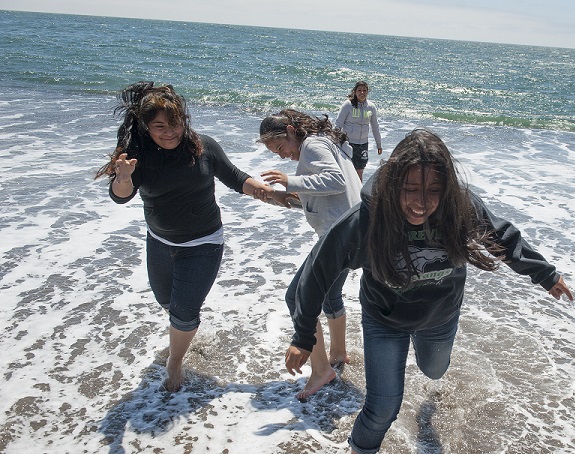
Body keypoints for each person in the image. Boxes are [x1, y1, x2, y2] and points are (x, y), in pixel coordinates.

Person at [282, 128, 575, 454]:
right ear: (394, 184)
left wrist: (544, 274)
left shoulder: (459, 207)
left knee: (433, 370)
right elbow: (316, 273)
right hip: (385, 318)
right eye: (411, 189)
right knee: (383, 404)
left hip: (440, 314)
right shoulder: (369, 218)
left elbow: (501, 236)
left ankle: (426, 405)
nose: (421, 203)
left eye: (433, 190)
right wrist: (303, 335)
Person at [95, 81, 290, 392]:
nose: (169, 132)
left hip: (204, 243)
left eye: (174, 124)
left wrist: (269, 193)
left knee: (185, 312)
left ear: (184, 121)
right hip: (159, 242)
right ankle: (181, 331)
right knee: (167, 302)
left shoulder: (203, 147)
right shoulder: (137, 156)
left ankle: (175, 361)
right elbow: (121, 196)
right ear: (147, 126)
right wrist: (123, 178)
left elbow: (236, 177)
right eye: (159, 126)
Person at [258, 109, 362, 400]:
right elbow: (325, 197)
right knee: (330, 296)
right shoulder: (324, 142)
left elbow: (335, 181)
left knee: (297, 298)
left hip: (339, 239)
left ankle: (321, 371)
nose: (281, 156)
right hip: (352, 233)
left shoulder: (313, 145)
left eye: (280, 147)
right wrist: (285, 199)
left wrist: (290, 182)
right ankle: (338, 353)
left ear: (292, 131)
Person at [335, 81, 382, 180]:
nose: (362, 93)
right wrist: (333, 141)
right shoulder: (348, 105)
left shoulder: (371, 107)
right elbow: (338, 124)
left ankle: (358, 194)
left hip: (363, 144)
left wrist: (379, 144)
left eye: (364, 90)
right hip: (348, 143)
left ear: (368, 92)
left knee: (360, 170)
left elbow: (375, 127)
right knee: (348, 169)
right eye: (359, 90)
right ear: (355, 92)